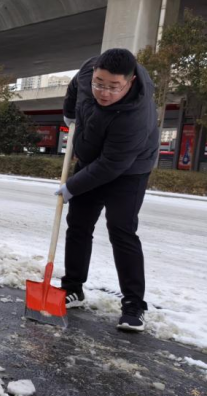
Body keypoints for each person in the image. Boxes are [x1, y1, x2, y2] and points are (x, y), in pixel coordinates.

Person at [58, 48, 159, 332]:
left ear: (130, 83)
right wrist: (69, 113)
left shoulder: (135, 115)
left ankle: (134, 306)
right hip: (92, 157)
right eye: (99, 84)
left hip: (129, 168)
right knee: (77, 224)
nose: (104, 92)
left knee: (121, 229)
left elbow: (111, 165)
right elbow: (75, 85)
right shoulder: (90, 70)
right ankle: (73, 289)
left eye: (113, 87)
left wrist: (71, 187)